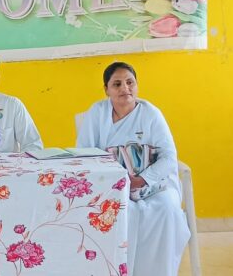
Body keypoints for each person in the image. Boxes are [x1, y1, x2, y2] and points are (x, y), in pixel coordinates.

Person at [75, 62, 190, 275]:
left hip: (153, 184)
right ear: (107, 89)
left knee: (167, 208)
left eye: (130, 82)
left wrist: (143, 179)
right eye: (117, 84)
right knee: (121, 212)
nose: (125, 88)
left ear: (136, 85)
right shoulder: (97, 113)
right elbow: (84, 155)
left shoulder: (151, 114)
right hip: (112, 186)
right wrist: (117, 183)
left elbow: (168, 157)